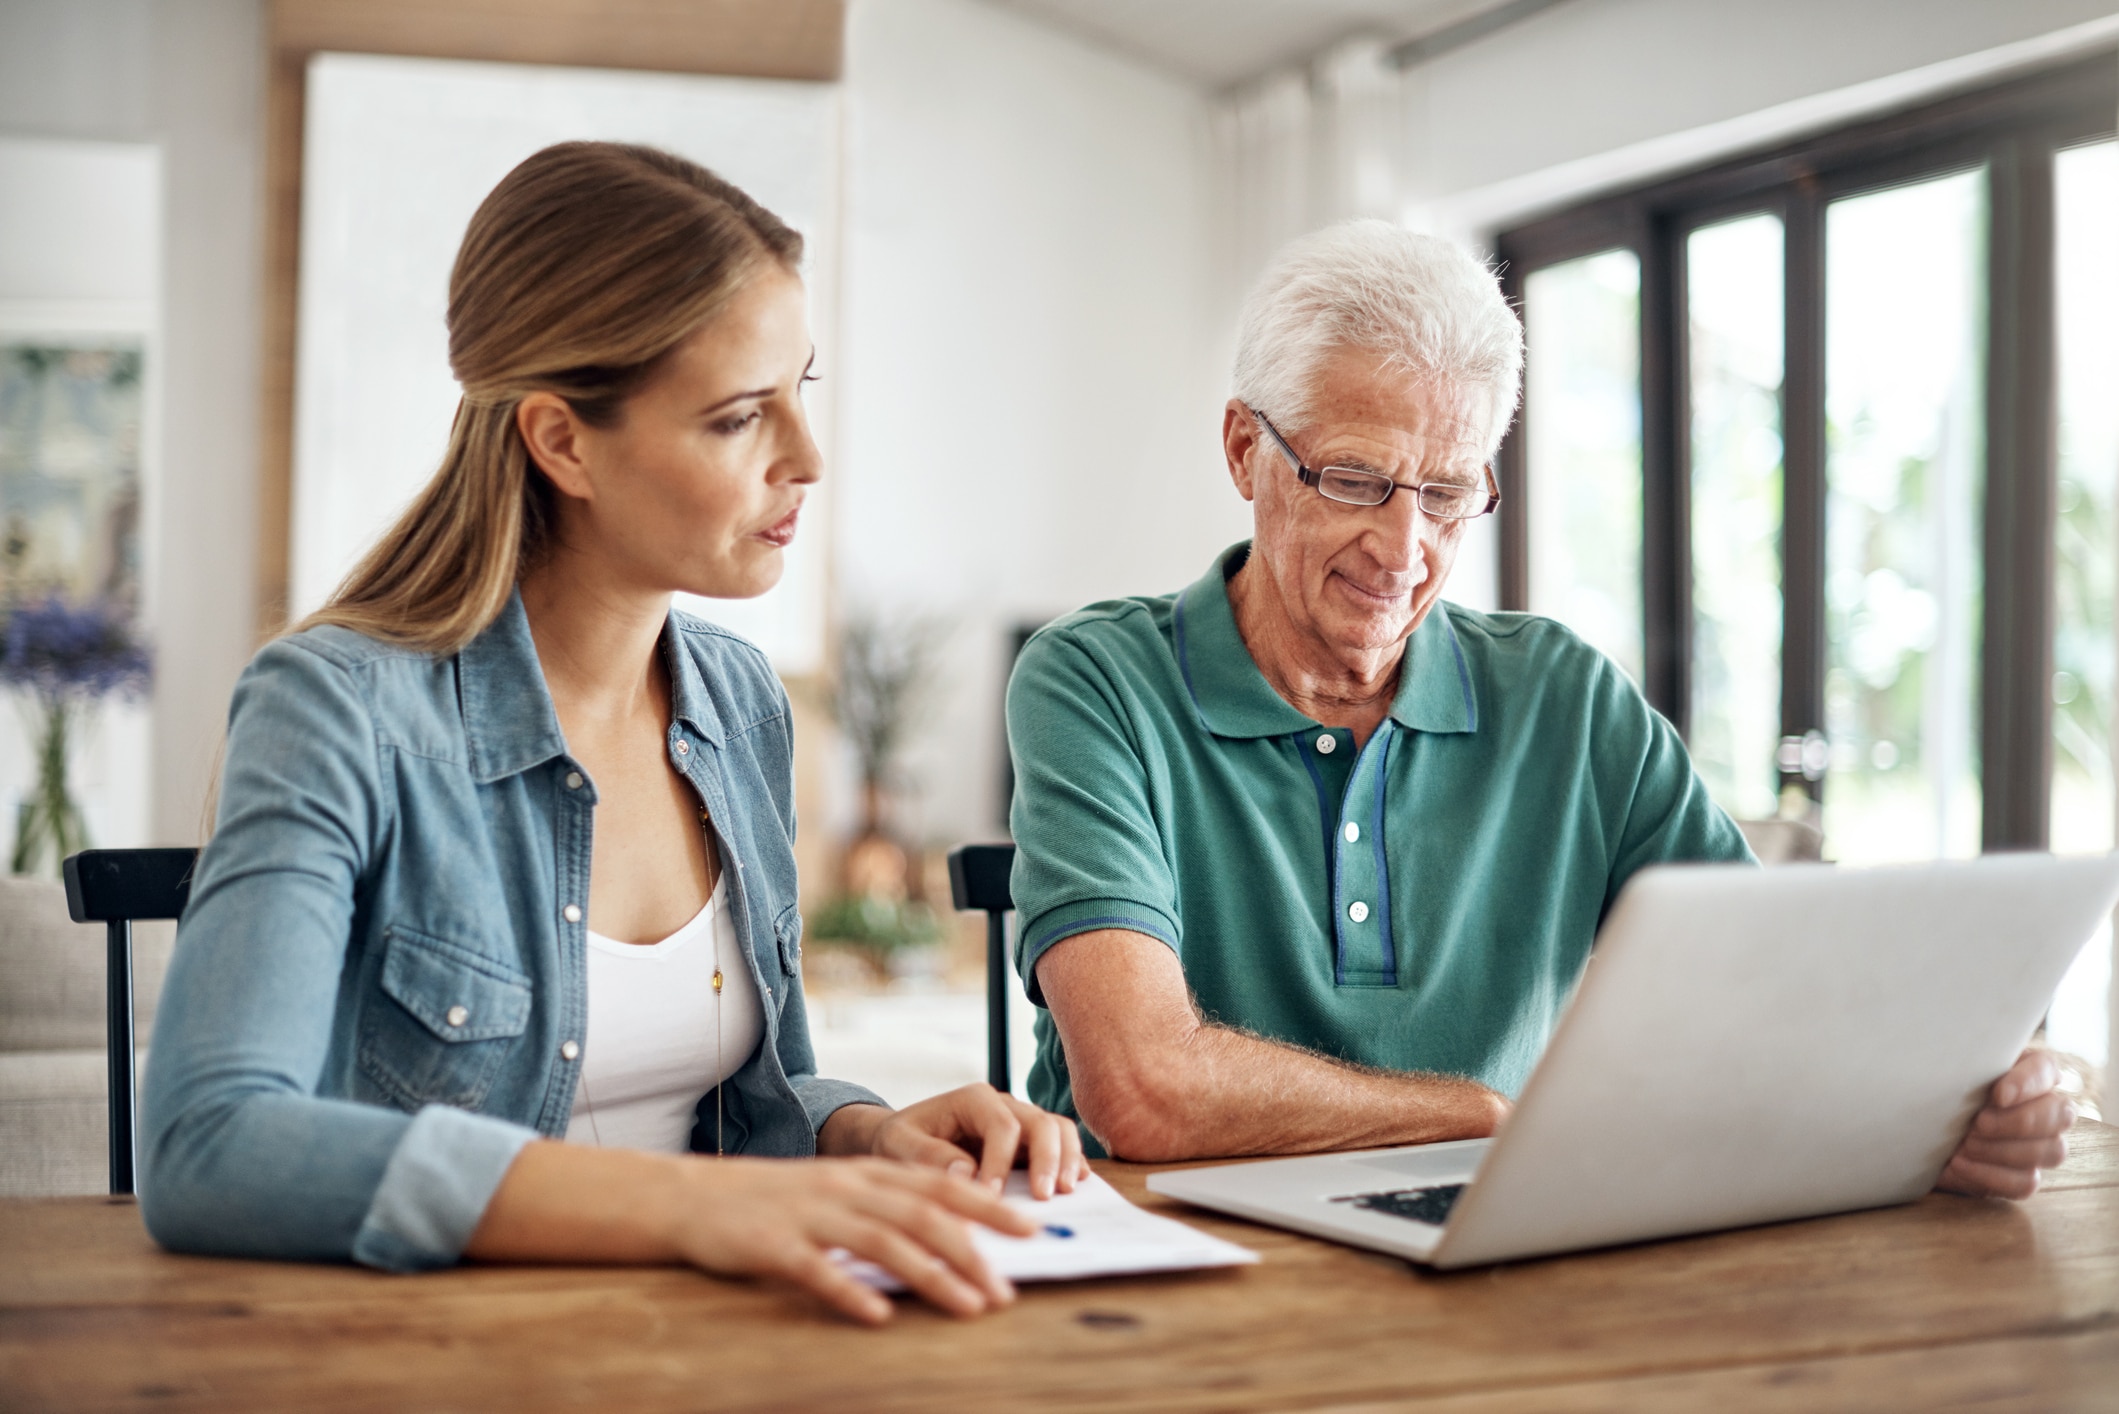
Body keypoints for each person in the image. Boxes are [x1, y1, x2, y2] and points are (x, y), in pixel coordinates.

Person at [142, 142, 1085, 1326]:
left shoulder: (741, 705)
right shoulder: (335, 708)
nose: (807, 458)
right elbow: (210, 1142)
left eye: (805, 388)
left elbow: (754, 1099)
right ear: (562, 441)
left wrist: (860, 1132)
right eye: (741, 418)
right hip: (426, 1356)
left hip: (704, 1347)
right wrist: (685, 1207)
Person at [1006, 219, 2073, 1201]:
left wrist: (1936, 1104)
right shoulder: (1093, 681)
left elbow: (1765, 1002)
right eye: (1355, 480)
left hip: (1486, 1258)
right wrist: (1473, 1115)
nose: (1404, 548)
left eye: (1448, 492)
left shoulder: (1564, 696)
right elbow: (1143, 1088)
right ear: (1245, 449)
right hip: (1162, 1276)